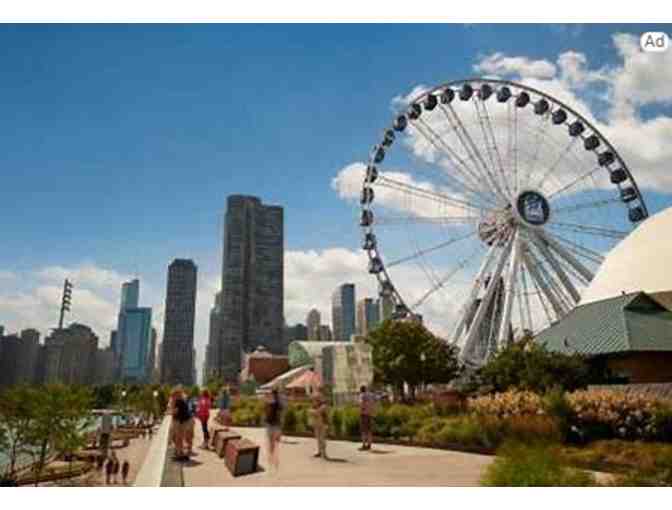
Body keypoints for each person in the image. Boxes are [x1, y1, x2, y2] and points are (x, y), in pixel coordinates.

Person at [264, 389, 283, 472]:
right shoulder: (275, 403)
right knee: (273, 441)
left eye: (272, 394)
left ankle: (272, 456)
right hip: (273, 423)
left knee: (272, 441)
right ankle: (272, 455)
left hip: (273, 424)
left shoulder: (274, 403)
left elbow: (267, 410)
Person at [171, 386, 190, 461]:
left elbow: (175, 411)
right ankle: (180, 453)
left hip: (182, 422)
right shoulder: (182, 400)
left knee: (178, 438)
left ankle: (180, 454)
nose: (172, 397)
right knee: (180, 438)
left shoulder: (178, 401)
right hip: (184, 421)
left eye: (173, 395)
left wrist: (171, 407)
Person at [310, 395, 329, 459]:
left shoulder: (323, 406)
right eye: (313, 400)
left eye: (315, 400)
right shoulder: (313, 407)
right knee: (318, 438)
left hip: (323, 424)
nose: (314, 402)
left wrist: (314, 412)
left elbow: (317, 412)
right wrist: (314, 412)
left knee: (322, 439)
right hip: (316, 424)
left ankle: (324, 453)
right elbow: (311, 412)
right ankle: (319, 452)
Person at [359, 385, 374, 451]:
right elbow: (373, 403)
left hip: (363, 414)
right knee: (369, 430)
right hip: (370, 414)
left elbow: (361, 403)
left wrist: (361, 409)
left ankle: (364, 445)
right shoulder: (370, 395)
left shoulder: (362, 395)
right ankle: (369, 444)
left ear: (361, 390)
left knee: (363, 430)